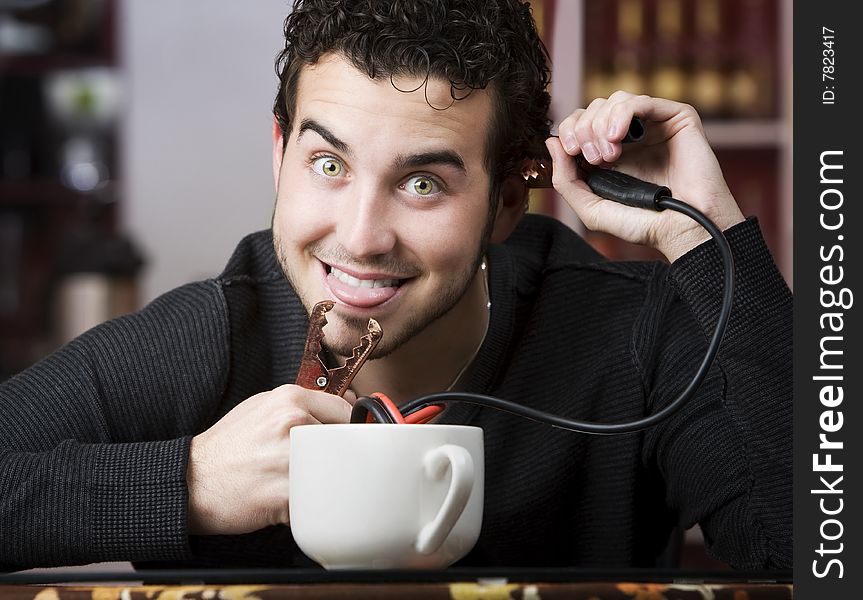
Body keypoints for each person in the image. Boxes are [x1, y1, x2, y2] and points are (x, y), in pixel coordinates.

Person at [0, 0, 791, 571]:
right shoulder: (199, 340)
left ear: (509, 198)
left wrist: (706, 234)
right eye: (327, 165)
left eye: (422, 185)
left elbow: (812, 545)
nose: (359, 235)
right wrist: (191, 482)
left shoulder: (632, 336)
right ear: (279, 155)